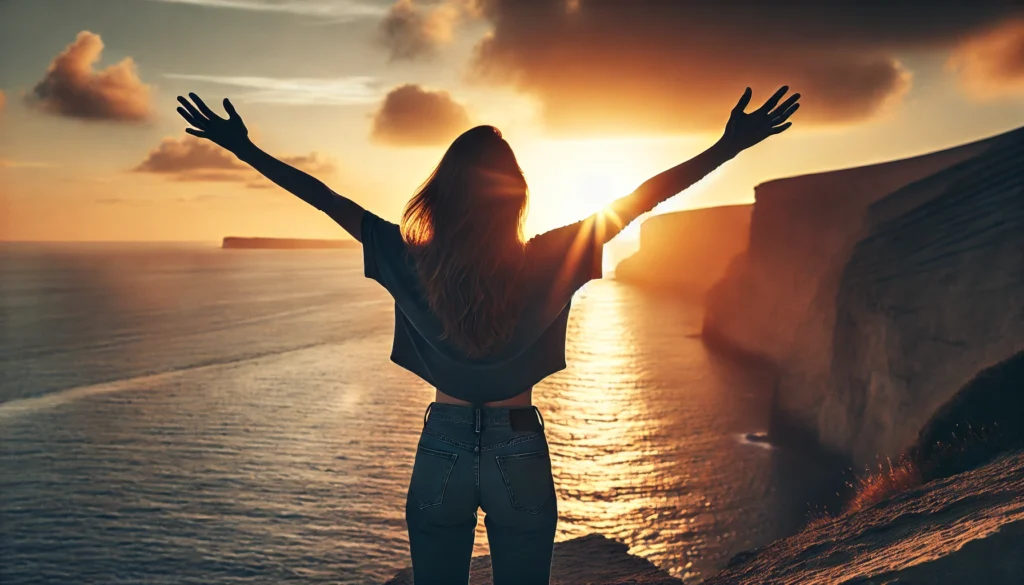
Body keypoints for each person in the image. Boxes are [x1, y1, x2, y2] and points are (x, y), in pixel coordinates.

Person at [175, 85, 800, 585]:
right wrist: (729, 146)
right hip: (518, 448)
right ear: (517, 196)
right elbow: (639, 200)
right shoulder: (552, 256)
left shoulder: (406, 257)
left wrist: (244, 149)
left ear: (440, 197)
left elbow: (323, 197)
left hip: (441, 446)